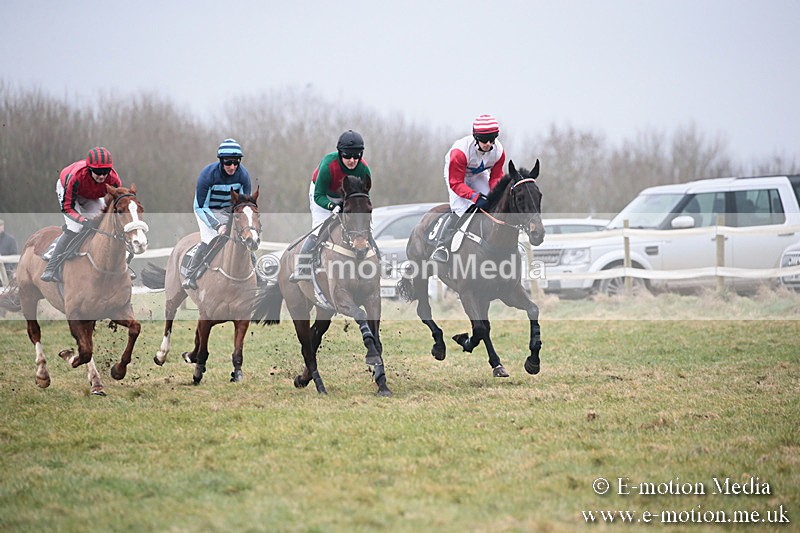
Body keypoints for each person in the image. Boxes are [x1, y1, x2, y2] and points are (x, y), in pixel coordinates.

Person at [289, 130, 372, 282]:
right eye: (347, 156)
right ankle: (302, 267)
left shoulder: (364, 169)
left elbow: (364, 196)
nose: (352, 160)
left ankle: (375, 258)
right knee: (320, 227)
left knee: (362, 226)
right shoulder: (329, 165)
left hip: (347, 196)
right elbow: (318, 196)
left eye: (356, 156)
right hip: (323, 194)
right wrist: (331, 206)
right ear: (340, 153)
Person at [430, 114, 507, 263]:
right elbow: (456, 183)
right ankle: (442, 246)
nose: (488, 144)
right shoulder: (460, 152)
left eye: (493, 139)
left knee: (493, 206)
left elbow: (496, 177)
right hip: (457, 177)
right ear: (476, 137)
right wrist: (474, 197)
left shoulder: (498, 151)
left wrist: (495, 194)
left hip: (478, 174)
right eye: (484, 140)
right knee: (463, 210)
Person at [41, 147, 123, 282]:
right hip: (69, 191)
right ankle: (51, 267)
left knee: (103, 224)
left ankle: (119, 265)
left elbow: (118, 204)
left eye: (105, 171)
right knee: (76, 227)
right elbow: (67, 207)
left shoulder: (114, 180)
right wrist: (83, 220)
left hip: (91, 195)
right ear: (90, 169)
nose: (102, 176)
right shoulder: (76, 177)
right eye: (97, 172)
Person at [183, 138, 252, 289]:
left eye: (236, 162)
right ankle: (191, 274)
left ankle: (256, 273)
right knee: (210, 240)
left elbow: (243, 205)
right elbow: (202, 207)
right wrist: (217, 225)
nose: (232, 167)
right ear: (221, 161)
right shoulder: (208, 175)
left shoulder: (244, 176)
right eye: (228, 163)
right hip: (207, 210)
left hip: (228, 211)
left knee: (244, 238)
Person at [0, 219, 19, 285]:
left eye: (0, 225)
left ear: (3, 226)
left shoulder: (10, 240)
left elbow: (14, 257)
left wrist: (7, 270)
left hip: (6, 273)